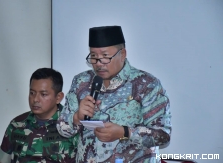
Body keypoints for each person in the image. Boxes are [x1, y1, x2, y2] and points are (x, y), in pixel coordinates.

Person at [57, 25, 172, 163]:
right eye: (94, 56)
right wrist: (76, 117)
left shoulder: (146, 84)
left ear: (122, 54)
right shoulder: (81, 82)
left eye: (105, 56)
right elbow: (63, 129)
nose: (99, 64)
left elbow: (163, 136)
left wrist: (125, 132)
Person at [0, 68, 78, 163]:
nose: (35, 99)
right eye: (32, 93)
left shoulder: (73, 125)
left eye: (43, 94)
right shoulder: (17, 124)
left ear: (58, 97)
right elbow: (1, 160)